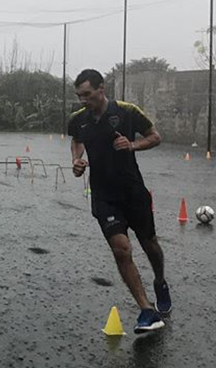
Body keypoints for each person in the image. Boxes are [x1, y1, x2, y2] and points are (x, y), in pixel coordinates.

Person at [68, 69, 170, 333]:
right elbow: (76, 141)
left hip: (133, 191)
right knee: (121, 249)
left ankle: (160, 281)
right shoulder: (78, 119)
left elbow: (155, 137)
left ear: (102, 89)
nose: (84, 100)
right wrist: (76, 161)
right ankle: (147, 310)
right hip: (104, 196)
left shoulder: (127, 111)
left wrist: (133, 145)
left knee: (150, 245)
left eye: (88, 95)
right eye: (80, 96)